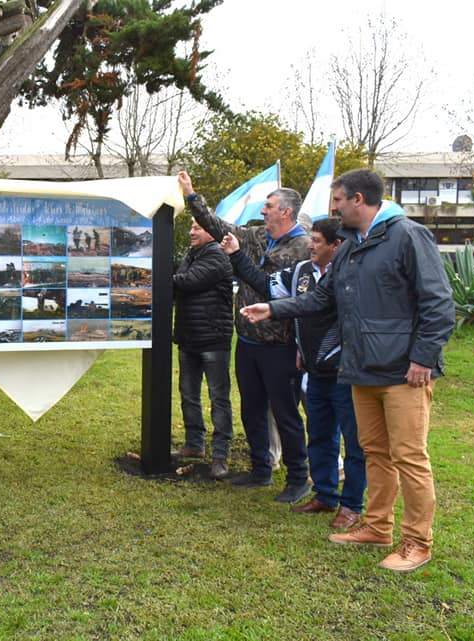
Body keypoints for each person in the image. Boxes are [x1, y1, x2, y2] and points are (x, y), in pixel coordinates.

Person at [240, 169, 455, 572]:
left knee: (409, 457)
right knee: (375, 452)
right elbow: (321, 298)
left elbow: (439, 303)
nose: (333, 208)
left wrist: (423, 358)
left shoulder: (408, 236)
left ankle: (417, 542)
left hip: (404, 372)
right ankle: (377, 527)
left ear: (358, 199)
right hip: (361, 369)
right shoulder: (351, 246)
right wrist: (273, 308)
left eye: (337, 200)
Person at [223, 218, 366, 529]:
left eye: (316, 241)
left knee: (353, 441)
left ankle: (351, 505)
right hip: (313, 368)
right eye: (311, 239)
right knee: (320, 434)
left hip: (345, 369)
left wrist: (274, 310)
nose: (310, 245)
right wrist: (236, 255)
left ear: (336, 245)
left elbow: (313, 304)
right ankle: (324, 494)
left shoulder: (352, 275)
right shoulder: (302, 271)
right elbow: (266, 284)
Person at [177, 171, 311, 503]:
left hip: (280, 345)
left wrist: (237, 256)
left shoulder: (302, 247)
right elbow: (217, 225)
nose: (263, 211)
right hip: (248, 342)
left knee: (285, 414)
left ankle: (298, 478)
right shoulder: (256, 236)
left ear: (286, 212)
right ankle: (260, 469)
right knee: (252, 410)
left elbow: (272, 288)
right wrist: (192, 196)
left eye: (269, 206)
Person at [171, 220, 235, 480]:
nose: (191, 232)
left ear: (211, 231)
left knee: (218, 398)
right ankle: (194, 444)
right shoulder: (192, 255)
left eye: (197, 227)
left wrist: (158, 278)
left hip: (213, 339)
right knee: (188, 394)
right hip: (189, 337)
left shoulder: (217, 257)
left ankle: (220, 455)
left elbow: (186, 282)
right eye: (191, 227)